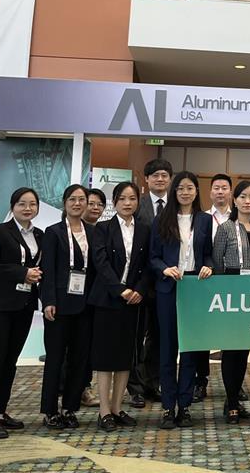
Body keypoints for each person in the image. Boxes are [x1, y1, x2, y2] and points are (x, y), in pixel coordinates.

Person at [151, 171, 214, 429]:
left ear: (196, 191)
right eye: (180, 188)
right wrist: (164, 269)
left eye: (190, 188)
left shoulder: (205, 220)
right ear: (174, 192)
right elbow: (153, 257)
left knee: (190, 349)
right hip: (168, 287)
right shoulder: (162, 219)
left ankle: (184, 405)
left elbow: (208, 254)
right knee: (168, 348)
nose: (185, 192)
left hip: (194, 288)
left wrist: (208, 266)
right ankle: (168, 406)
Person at [0, 188, 43, 439]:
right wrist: (21, 273)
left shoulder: (39, 234)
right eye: (22, 204)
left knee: (10, 361)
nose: (27, 208)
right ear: (13, 206)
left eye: (32, 204)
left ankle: (1, 411)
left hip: (24, 305)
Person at [89, 182, 149, 432]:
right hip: (107, 300)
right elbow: (100, 263)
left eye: (132, 198)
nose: (127, 203)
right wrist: (119, 289)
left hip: (133, 301)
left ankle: (116, 408)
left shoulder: (144, 229)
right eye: (122, 198)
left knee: (125, 357)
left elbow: (147, 265)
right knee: (106, 358)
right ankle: (104, 411)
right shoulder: (103, 228)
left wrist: (139, 290)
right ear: (114, 202)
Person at [39, 184, 94, 429]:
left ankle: (70, 408)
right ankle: (50, 410)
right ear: (64, 202)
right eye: (72, 199)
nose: (77, 203)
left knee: (79, 359)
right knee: (55, 358)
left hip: (85, 305)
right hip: (59, 306)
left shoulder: (93, 232)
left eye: (82, 199)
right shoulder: (53, 232)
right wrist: (48, 301)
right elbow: (48, 270)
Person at [211, 180, 250, 423]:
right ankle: (232, 403)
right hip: (230, 291)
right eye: (243, 196)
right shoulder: (225, 228)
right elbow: (216, 262)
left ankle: (234, 399)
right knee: (230, 349)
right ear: (235, 200)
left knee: (244, 350)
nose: (247, 201)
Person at [128, 158, 173, 407]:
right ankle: (135, 387)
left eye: (164, 175)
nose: (160, 179)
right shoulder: (138, 204)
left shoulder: (176, 207)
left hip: (167, 283)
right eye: (155, 175)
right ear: (146, 179)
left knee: (159, 336)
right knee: (136, 337)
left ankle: (152, 383)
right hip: (139, 282)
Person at [192, 173, 232, 402]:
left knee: (231, 334)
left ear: (230, 192)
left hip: (231, 283)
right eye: (216, 187)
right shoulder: (202, 219)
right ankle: (201, 380)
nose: (220, 191)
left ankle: (233, 384)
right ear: (209, 192)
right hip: (206, 281)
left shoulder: (237, 218)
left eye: (224, 187)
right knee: (202, 333)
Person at [78, 187, 107, 407]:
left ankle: (83, 387)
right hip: (72, 296)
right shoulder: (69, 229)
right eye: (91, 203)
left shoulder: (101, 231)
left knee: (86, 345)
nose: (95, 208)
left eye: (100, 204)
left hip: (94, 296)